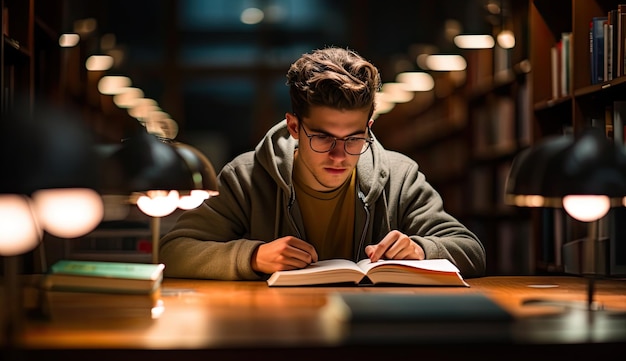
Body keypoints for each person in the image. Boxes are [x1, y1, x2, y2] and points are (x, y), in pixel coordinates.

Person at [159, 46, 486, 280]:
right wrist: (254, 257)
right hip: (274, 333)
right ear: (294, 127)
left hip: (373, 336)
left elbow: (471, 250)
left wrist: (420, 249)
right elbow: (172, 250)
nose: (339, 155)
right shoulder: (247, 176)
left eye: (354, 139)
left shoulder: (400, 176)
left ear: (369, 127)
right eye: (323, 138)